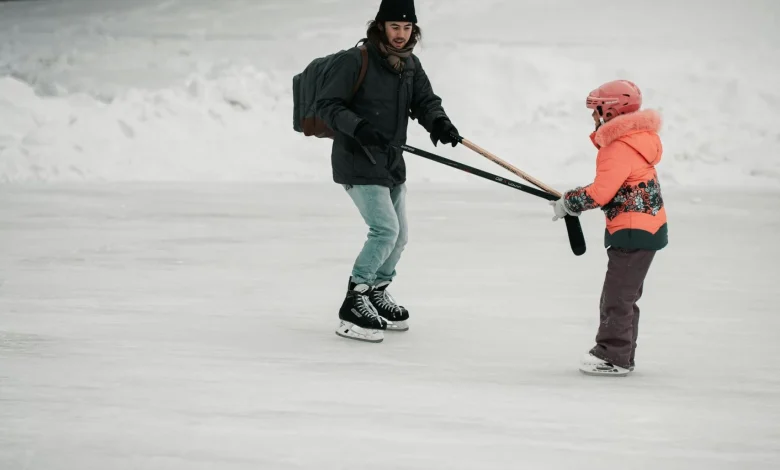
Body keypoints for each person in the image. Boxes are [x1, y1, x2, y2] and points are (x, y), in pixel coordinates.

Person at [317, 0, 460, 343]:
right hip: (357, 156)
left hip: (391, 162)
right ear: (380, 26)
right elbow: (327, 104)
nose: (400, 34)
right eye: (394, 26)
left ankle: (376, 291)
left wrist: (439, 123)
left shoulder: (410, 65)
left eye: (407, 27)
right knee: (385, 230)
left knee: (400, 236)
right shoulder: (357, 60)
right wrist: (360, 127)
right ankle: (354, 300)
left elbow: (425, 101)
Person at [550, 80, 668, 376]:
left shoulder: (617, 147)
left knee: (617, 297)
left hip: (633, 231)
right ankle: (621, 353)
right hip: (646, 228)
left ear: (610, 111)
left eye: (596, 111)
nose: (593, 117)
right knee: (624, 296)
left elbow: (601, 192)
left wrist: (571, 201)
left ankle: (613, 356)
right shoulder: (639, 138)